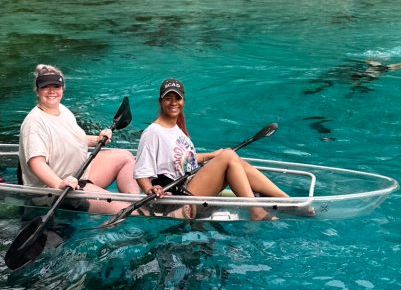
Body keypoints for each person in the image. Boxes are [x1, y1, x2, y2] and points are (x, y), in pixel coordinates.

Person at [133, 79, 291, 221]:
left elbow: (185, 159)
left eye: (178, 98)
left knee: (232, 158)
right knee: (229, 156)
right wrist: (150, 189)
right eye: (168, 98)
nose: (174, 102)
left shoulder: (176, 129)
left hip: (191, 185)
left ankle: (286, 201)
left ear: (183, 101)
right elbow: (141, 172)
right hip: (178, 199)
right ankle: (256, 211)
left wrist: (212, 155)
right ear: (160, 101)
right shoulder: (153, 132)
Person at [18, 64, 137, 215]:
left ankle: (135, 202)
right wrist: (59, 184)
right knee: (125, 210)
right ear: (37, 90)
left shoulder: (63, 110)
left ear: (63, 88)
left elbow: (73, 139)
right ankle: (124, 214)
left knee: (125, 157)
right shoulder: (34, 122)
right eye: (45, 87)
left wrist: (97, 139)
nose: (52, 91)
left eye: (56, 86)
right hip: (57, 189)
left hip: (80, 171)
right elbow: (36, 163)